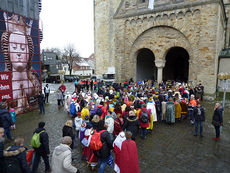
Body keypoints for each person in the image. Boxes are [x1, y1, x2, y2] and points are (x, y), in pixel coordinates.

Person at [1, 13, 40, 114]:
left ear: (29, 52)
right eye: (14, 47)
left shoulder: (35, 83)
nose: (19, 52)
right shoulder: (4, 85)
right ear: (7, 51)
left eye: (23, 48)